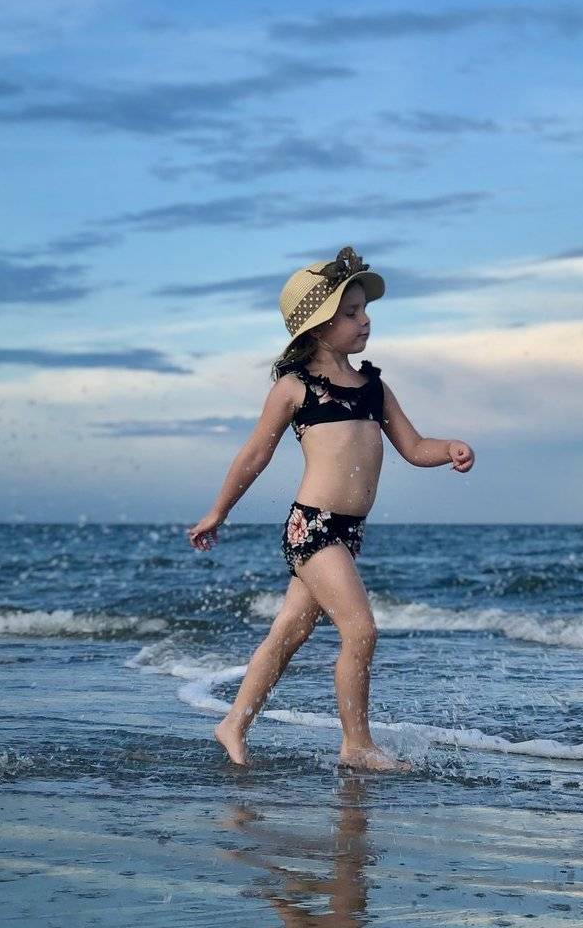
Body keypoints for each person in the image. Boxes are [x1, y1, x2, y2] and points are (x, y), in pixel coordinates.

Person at [186, 246, 475, 771]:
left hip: (348, 533)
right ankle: (356, 744)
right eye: (351, 313)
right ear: (318, 327)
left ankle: (233, 724)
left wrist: (449, 447)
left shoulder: (374, 388)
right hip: (312, 528)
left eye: (365, 310)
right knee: (361, 630)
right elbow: (254, 455)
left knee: (289, 633)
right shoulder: (295, 388)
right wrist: (218, 512)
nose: (364, 321)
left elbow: (414, 447)